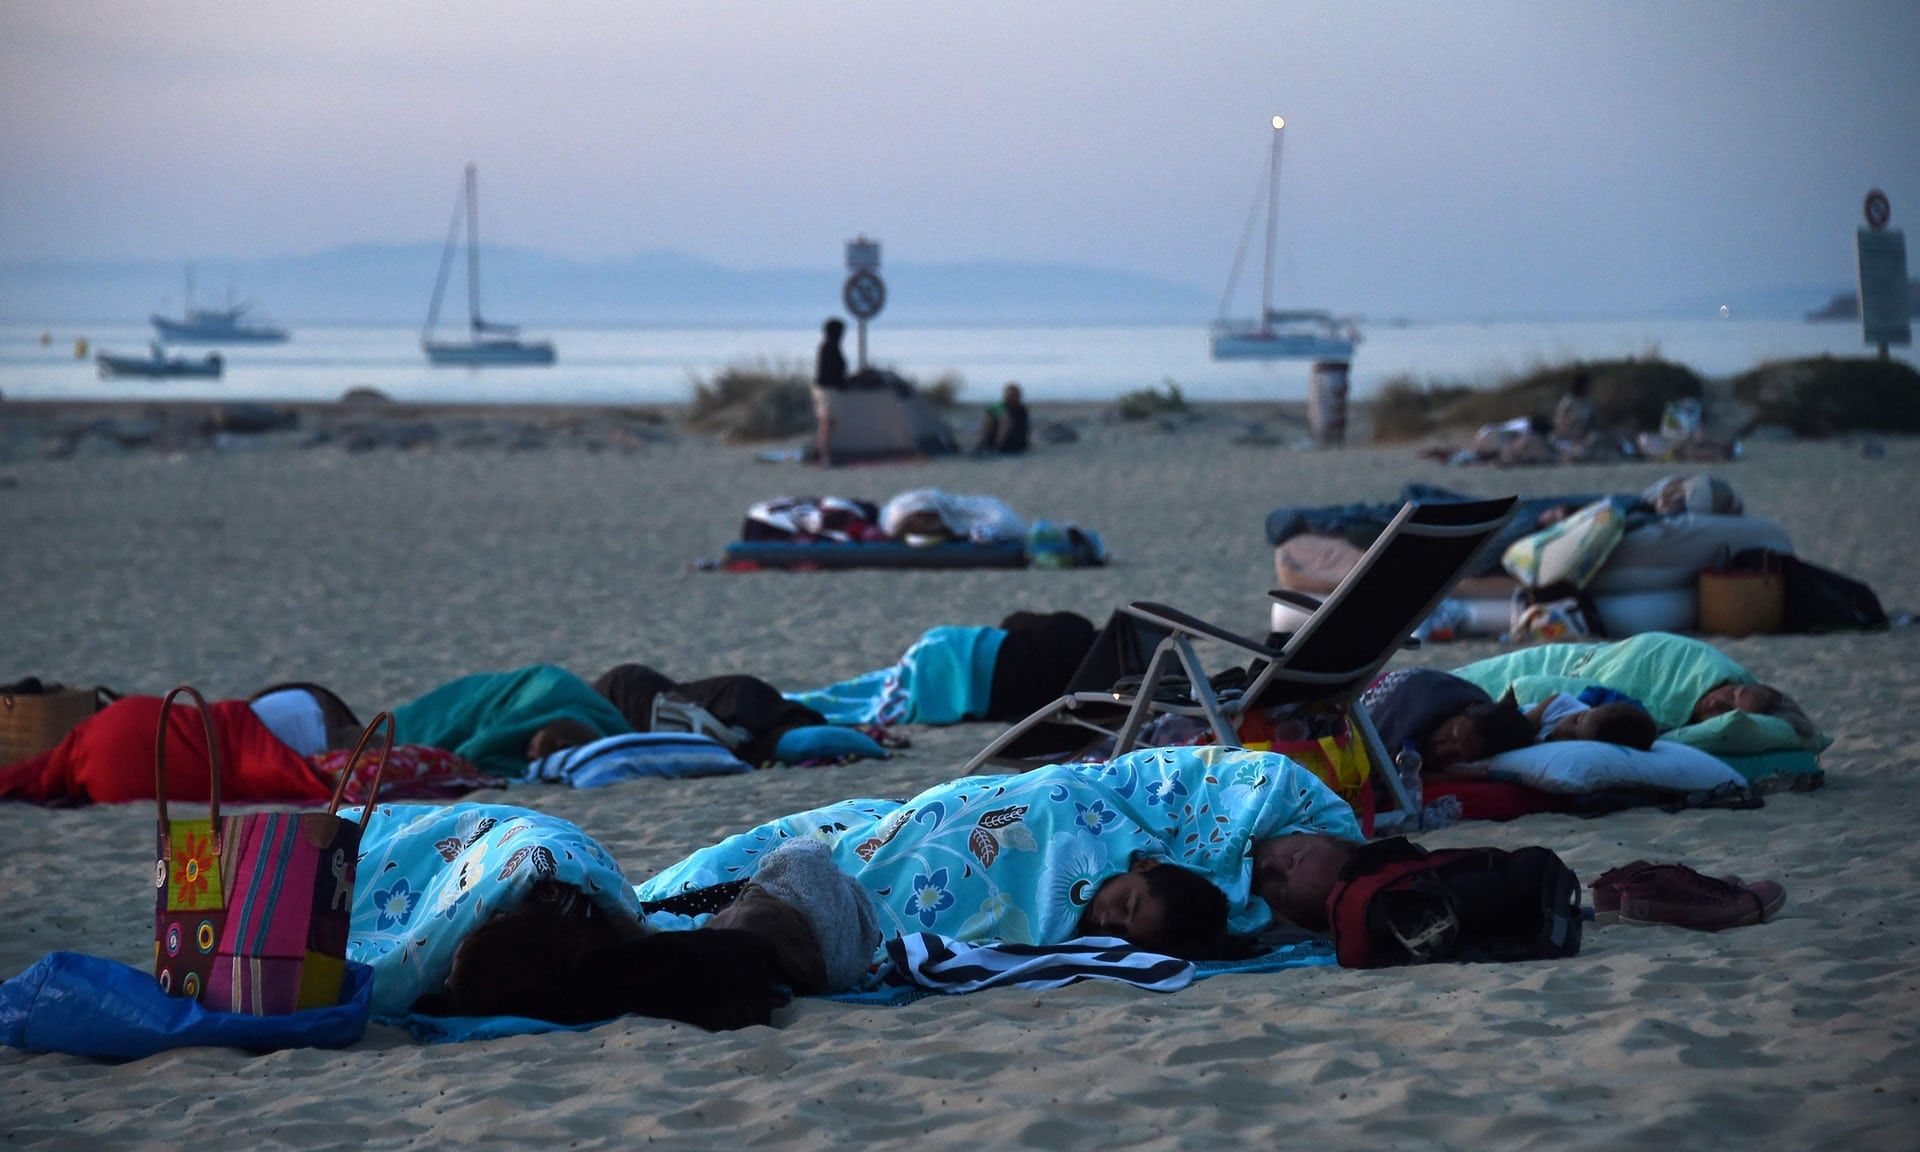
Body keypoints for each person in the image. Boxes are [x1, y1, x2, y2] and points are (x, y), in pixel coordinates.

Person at [636, 745, 1364, 948]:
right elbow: (1116, 790)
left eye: (1274, 888)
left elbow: (1196, 906)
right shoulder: (1255, 784)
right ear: (1316, 831)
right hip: (1032, 806)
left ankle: (687, 909)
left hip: (972, 873)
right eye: (1289, 860)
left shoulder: (1203, 901)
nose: (1263, 869)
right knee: (859, 844)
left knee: (845, 889)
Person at [813, 318, 848, 467]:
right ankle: (824, 455)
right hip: (828, 389)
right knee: (826, 422)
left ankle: (824, 453)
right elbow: (831, 371)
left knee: (828, 422)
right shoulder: (829, 347)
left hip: (830, 388)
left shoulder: (832, 347)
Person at [974, 381, 1031, 456]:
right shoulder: (1001, 406)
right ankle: (984, 443)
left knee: (1004, 419)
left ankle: (997, 446)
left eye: (1013, 395)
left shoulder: (1021, 409)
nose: (1010, 397)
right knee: (990, 416)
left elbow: (1020, 428)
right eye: (1009, 395)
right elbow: (989, 411)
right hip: (996, 437)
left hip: (1013, 442)